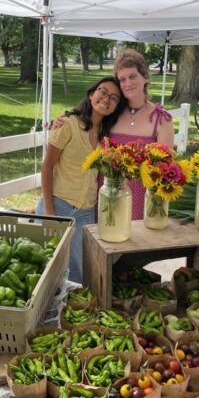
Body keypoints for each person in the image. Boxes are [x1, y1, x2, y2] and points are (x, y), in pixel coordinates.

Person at [52, 49, 174, 220]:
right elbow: (87, 120)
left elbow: (165, 170)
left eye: (132, 76)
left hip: (141, 198)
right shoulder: (111, 113)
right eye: (122, 79)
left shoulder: (160, 119)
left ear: (145, 77)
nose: (127, 83)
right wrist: (61, 120)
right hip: (107, 195)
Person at [37, 77, 124, 283]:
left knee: (80, 270)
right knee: (52, 268)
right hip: (59, 205)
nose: (106, 99)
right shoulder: (68, 124)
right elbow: (47, 166)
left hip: (86, 212)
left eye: (114, 98)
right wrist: (50, 210)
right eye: (103, 91)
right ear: (91, 93)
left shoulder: (106, 137)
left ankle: (73, 312)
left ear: (115, 108)